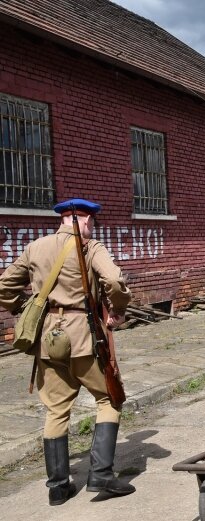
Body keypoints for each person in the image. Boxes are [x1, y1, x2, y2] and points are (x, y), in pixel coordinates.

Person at [0, 198, 134, 505]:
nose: (92, 228)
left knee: (56, 410)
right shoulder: (90, 247)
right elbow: (113, 280)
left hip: (48, 340)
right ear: (86, 221)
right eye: (92, 224)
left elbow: (4, 287)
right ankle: (100, 476)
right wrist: (118, 311)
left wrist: (28, 309)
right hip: (83, 336)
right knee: (109, 399)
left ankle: (58, 488)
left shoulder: (35, 248)